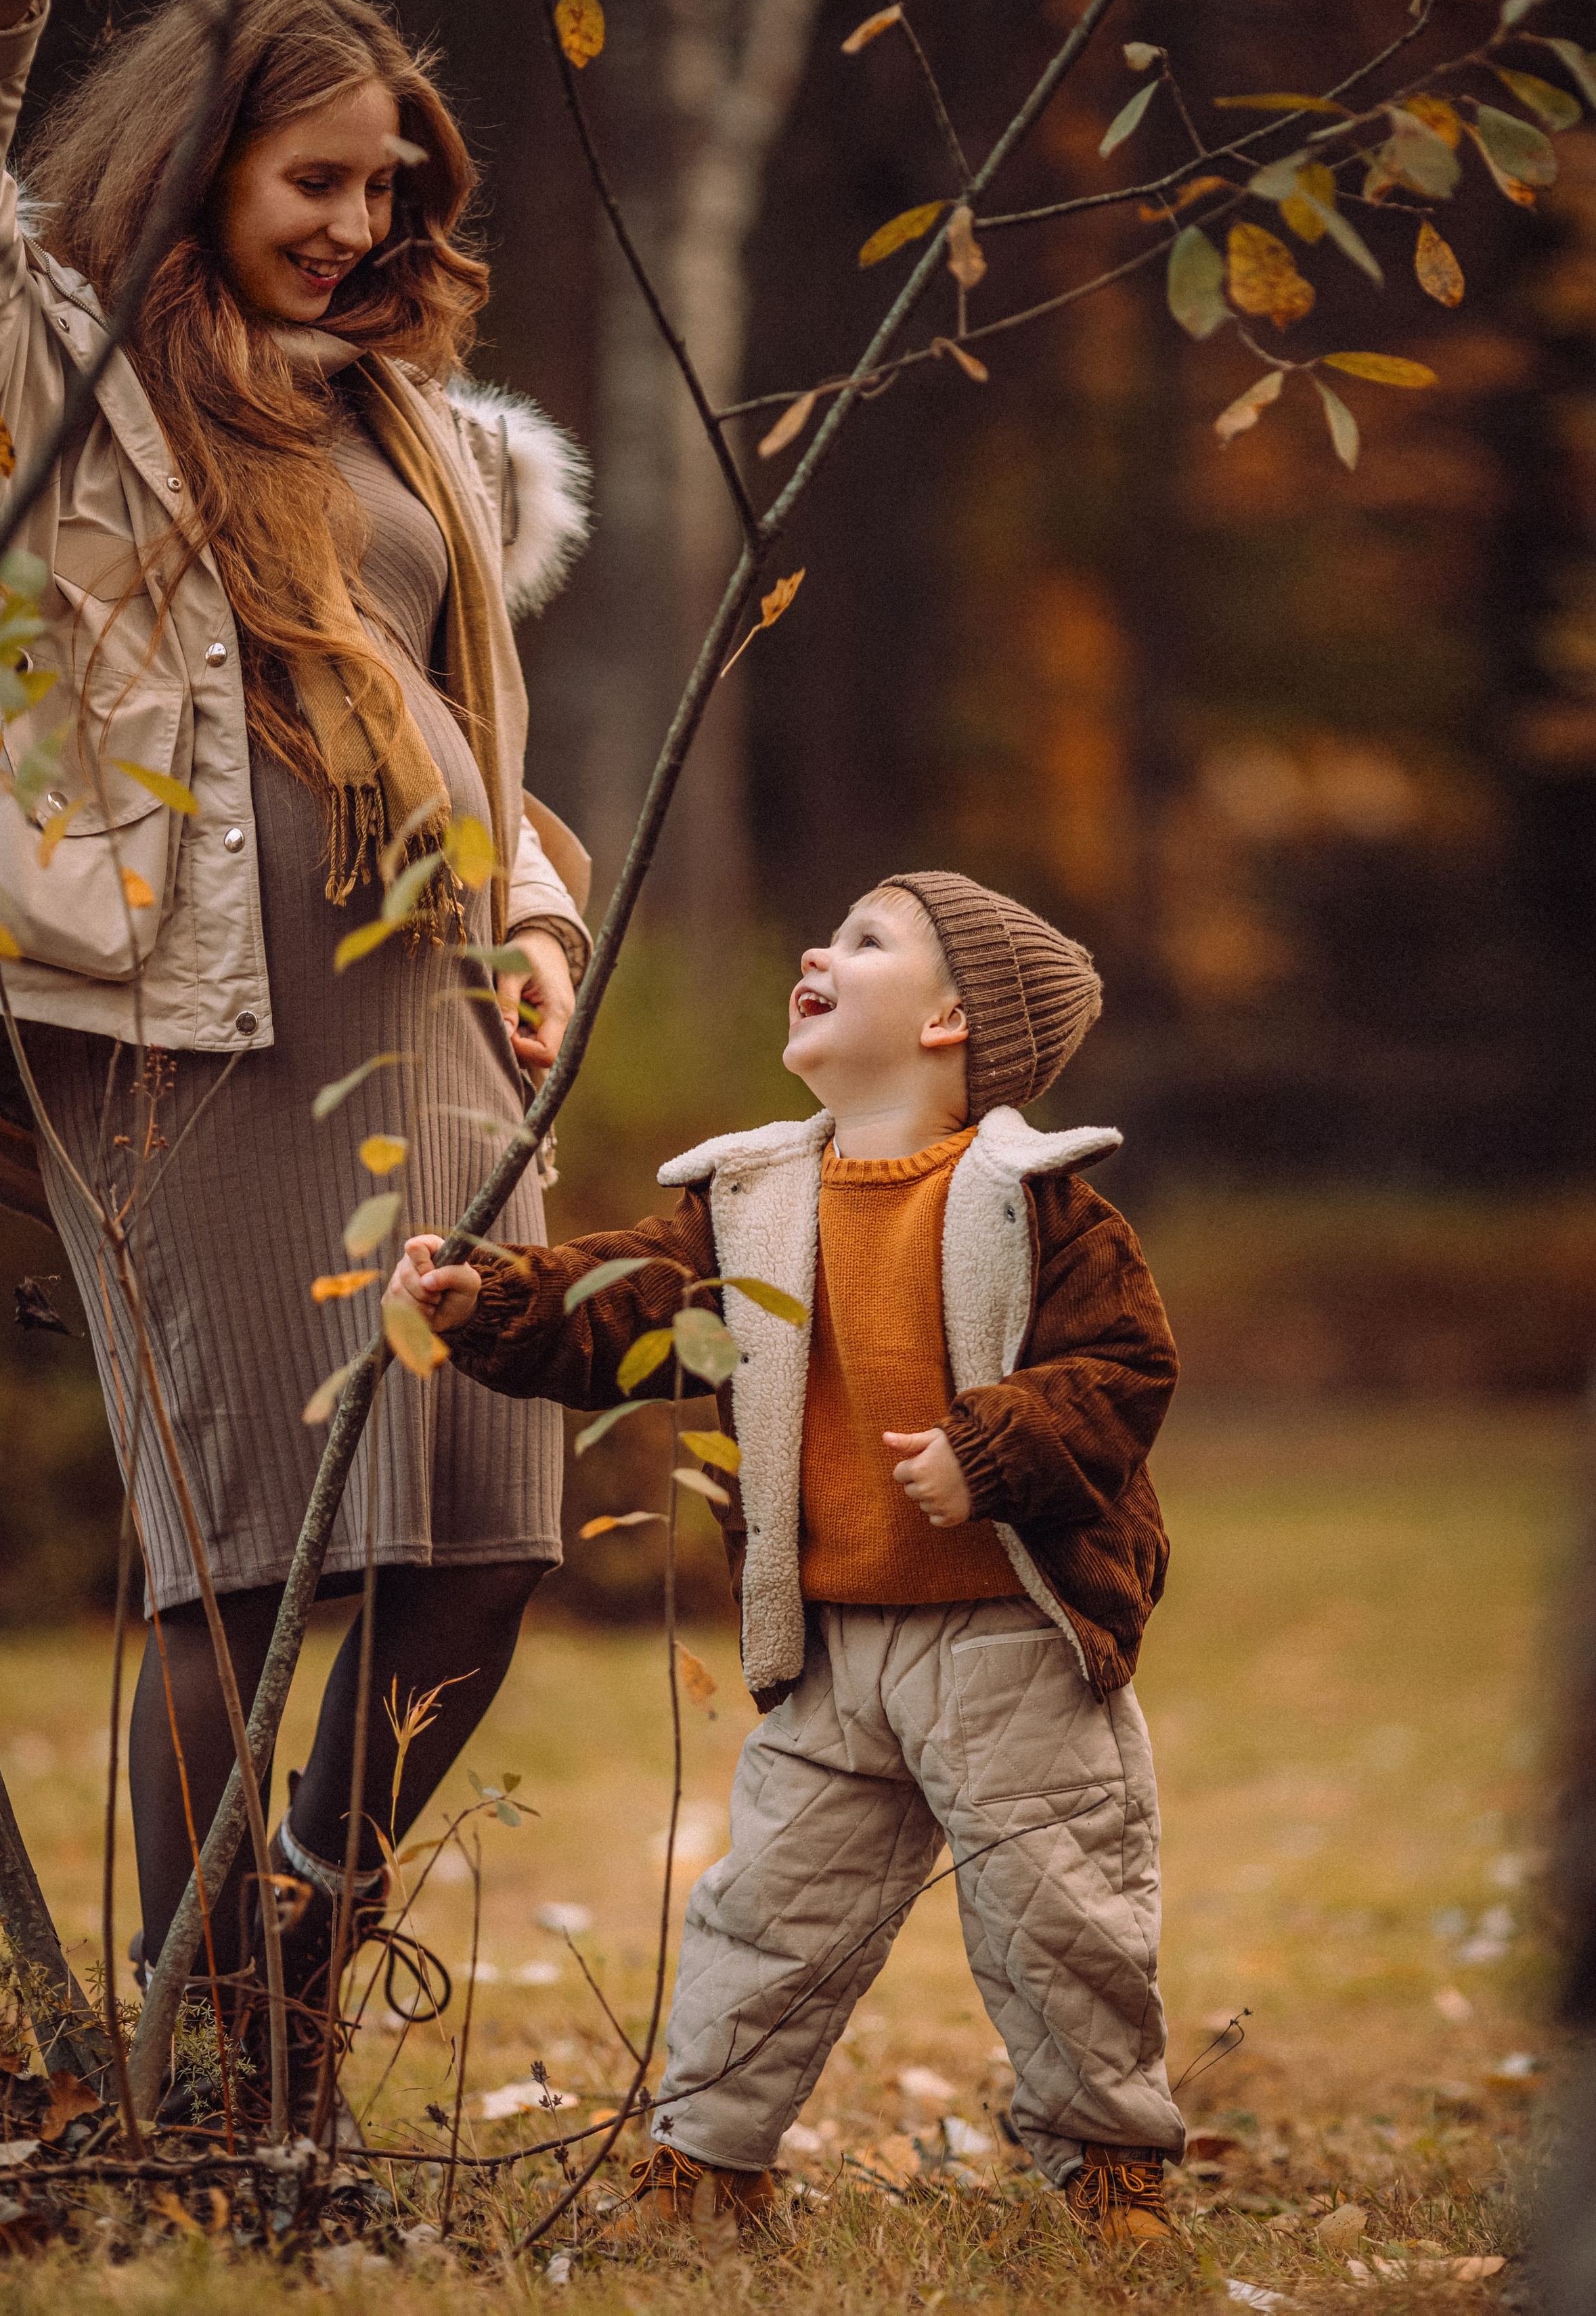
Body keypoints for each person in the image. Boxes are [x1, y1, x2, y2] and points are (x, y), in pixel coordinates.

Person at [0, 0, 594, 2122]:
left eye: (393, 185)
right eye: (319, 179)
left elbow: (468, 721)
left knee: (485, 1544)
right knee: (246, 1559)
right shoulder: (69, 390)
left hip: (434, 1028)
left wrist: (537, 916)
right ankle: (205, 2065)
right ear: (198, 163)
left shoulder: (413, 418)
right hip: (193, 1044)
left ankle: (296, 1942)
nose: (362, 224)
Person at [388, 873, 1186, 2249]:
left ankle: (1111, 2172)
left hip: (1010, 1640)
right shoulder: (752, 1201)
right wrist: (496, 1296)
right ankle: (707, 2170)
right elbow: (630, 1305)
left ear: (949, 1021)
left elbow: (1121, 1370)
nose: (819, 946)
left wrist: (988, 1449)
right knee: (763, 1917)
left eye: (866, 939)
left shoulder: (1033, 1203)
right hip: (826, 1653)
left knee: (1061, 1915)